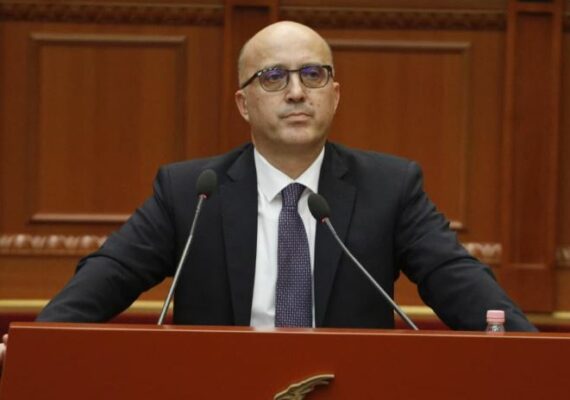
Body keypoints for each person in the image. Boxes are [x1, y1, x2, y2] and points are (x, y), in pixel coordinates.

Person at [0, 21, 536, 366]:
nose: (297, 92)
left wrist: (533, 355)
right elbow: (109, 275)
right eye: (274, 77)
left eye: (313, 75)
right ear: (243, 103)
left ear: (334, 94)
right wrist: (36, 345)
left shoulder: (389, 188)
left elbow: (457, 280)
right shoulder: (192, 192)